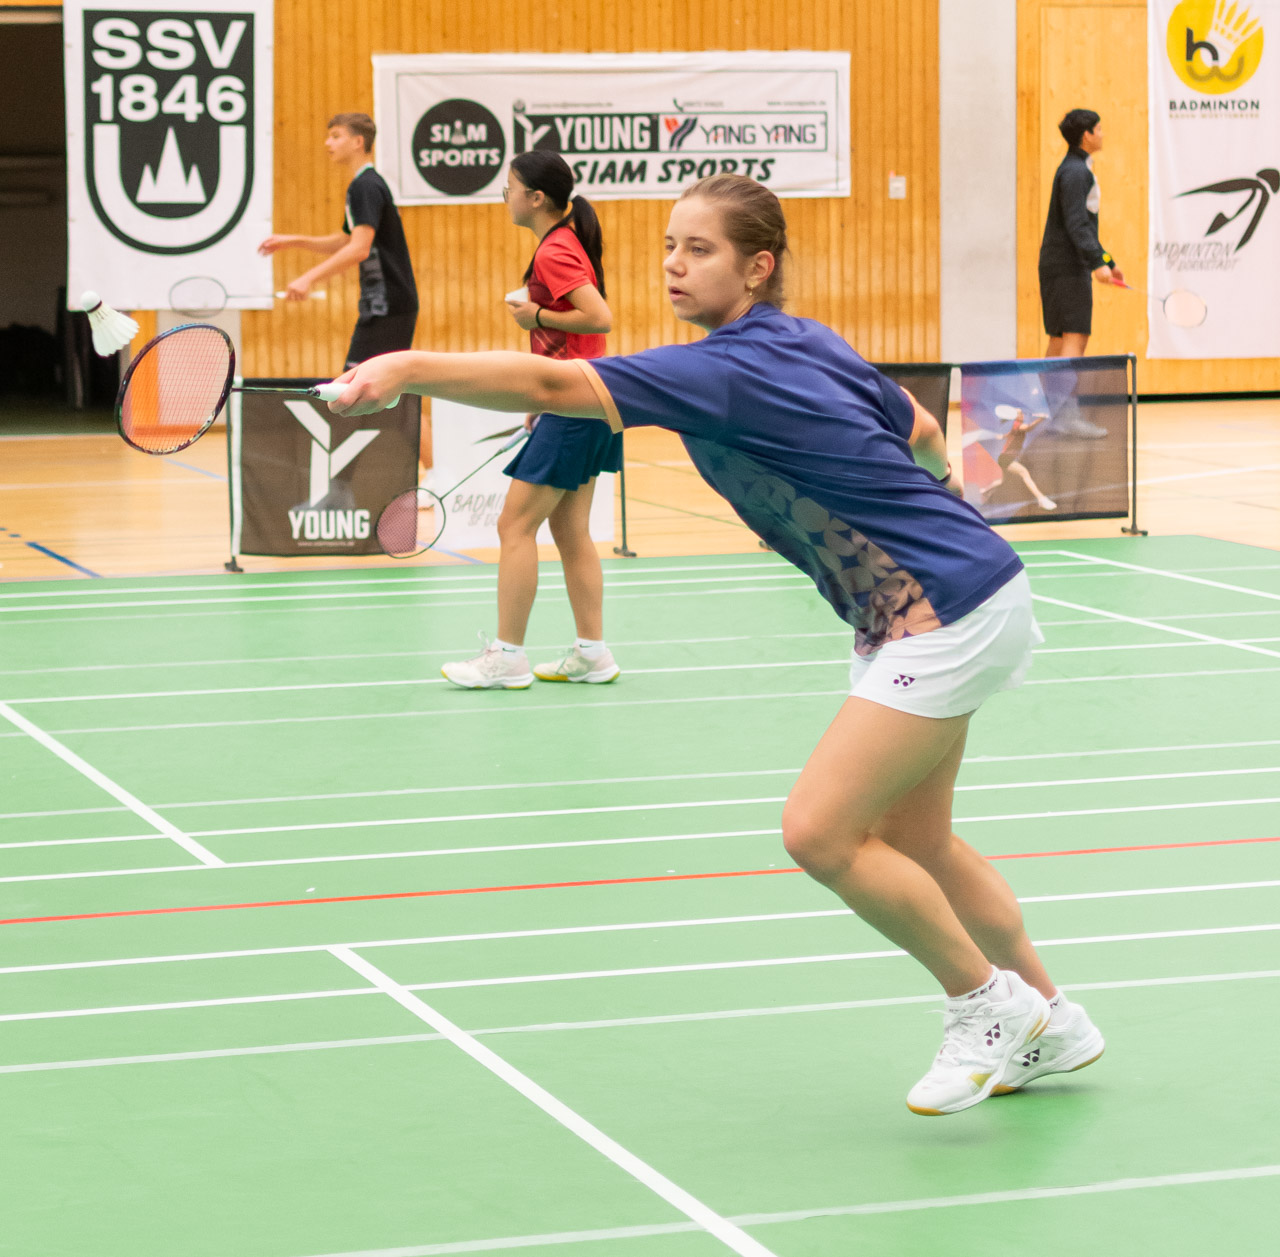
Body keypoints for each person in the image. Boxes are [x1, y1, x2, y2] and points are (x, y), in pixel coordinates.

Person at [327, 174, 1105, 1117]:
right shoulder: (807, 338)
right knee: (916, 838)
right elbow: (927, 430)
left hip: (943, 609)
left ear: (757, 265)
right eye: (669, 246)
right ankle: (1054, 1018)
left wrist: (404, 366)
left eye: (700, 250)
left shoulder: (723, 368)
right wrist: (938, 508)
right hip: (952, 589)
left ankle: (987, 1005)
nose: (674, 264)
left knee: (820, 832)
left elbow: (549, 382)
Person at [440, 153, 620, 691]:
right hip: (589, 399)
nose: (506, 197)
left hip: (575, 403)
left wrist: (534, 315)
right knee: (570, 530)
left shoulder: (555, 250)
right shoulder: (563, 242)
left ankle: (507, 658)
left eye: (510, 188)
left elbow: (599, 317)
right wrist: (539, 392)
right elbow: (579, 336)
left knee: (514, 526)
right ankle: (593, 653)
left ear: (535, 198)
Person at [257, 113, 429, 474]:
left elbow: (359, 249)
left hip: (386, 304)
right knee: (386, 389)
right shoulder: (365, 185)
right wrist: (294, 241)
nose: (328, 143)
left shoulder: (365, 186)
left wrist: (308, 279)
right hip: (385, 304)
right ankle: (428, 469)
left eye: (336, 136)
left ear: (358, 142)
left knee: (359, 388)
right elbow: (346, 239)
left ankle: (346, 479)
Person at [1038, 109, 1125, 439]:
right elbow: (1076, 224)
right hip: (1067, 267)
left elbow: (1084, 226)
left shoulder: (1074, 168)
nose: (1102, 134)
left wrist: (1107, 260)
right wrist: (1095, 263)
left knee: (1060, 340)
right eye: (1098, 129)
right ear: (1086, 135)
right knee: (1074, 338)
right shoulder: (1076, 172)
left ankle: (1048, 413)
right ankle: (1064, 415)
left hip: (1058, 264)